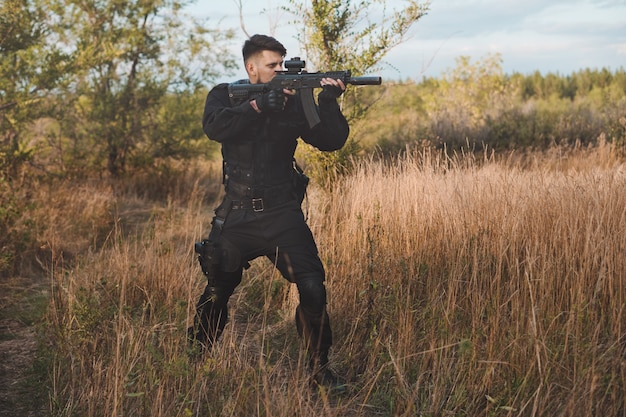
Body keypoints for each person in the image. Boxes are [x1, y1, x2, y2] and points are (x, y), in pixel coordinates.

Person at [188, 34, 349, 390]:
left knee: (312, 287)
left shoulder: (295, 104)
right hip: (238, 214)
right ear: (251, 68)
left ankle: (319, 369)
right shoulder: (225, 95)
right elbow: (215, 127)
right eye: (271, 66)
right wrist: (260, 106)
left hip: (282, 214)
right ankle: (194, 361)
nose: (279, 71)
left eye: (282, 65)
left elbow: (330, 141)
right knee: (217, 290)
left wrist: (328, 100)